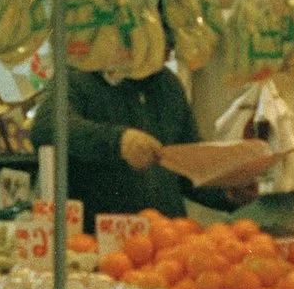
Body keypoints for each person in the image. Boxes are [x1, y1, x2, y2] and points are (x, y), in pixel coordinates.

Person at [33, 63, 251, 223]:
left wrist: (226, 191)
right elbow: (46, 127)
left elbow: (186, 168)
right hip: (103, 246)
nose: (166, 48)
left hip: (169, 245)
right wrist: (118, 141)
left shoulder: (168, 84)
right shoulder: (78, 76)